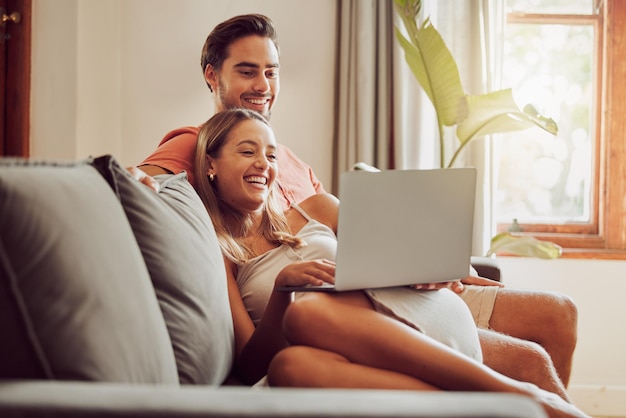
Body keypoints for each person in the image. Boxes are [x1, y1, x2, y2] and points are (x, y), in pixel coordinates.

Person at [134, 13, 578, 398]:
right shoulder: (197, 144)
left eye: (271, 71)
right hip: (338, 323)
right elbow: (141, 182)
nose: (263, 85)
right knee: (526, 363)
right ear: (213, 76)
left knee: (554, 318)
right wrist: (129, 177)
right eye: (247, 71)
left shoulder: (288, 164)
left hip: (393, 299)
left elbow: (361, 235)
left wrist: (432, 262)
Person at [191, 107, 588, 418]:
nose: (264, 163)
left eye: (271, 154)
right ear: (210, 164)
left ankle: (518, 396)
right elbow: (250, 366)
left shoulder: (316, 209)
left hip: (400, 320)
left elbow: (403, 249)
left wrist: (434, 270)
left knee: (307, 312)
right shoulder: (220, 252)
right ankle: (498, 407)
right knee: (289, 367)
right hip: (332, 351)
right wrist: (282, 289)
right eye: (247, 151)